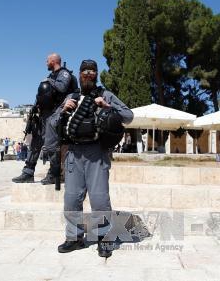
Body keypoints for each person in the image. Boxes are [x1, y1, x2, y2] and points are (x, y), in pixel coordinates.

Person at [55, 59, 133, 258]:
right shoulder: (71, 96)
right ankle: (74, 238)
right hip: (74, 153)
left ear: (96, 74)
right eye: (84, 71)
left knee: (99, 200)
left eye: (92, 71)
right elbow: (55, 123)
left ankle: (103, 239)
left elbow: (128, 115)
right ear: (80, 75)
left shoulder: (105, 94)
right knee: (71, 199)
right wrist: (64, 110)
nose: (88, 74)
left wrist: (107, 107)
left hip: (97, 153)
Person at [12, 53, 76, 184]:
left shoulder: (64, 74)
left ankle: (54, 173)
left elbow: (62, 87)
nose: (46, 62)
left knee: (51, 145)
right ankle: (28, 173)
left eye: (47, 60)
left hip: (57, 113)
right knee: (35, 143)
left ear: (53, 61)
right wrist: (35, 107)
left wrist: (49, 81)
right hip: (43, 115)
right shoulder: (50, 76)